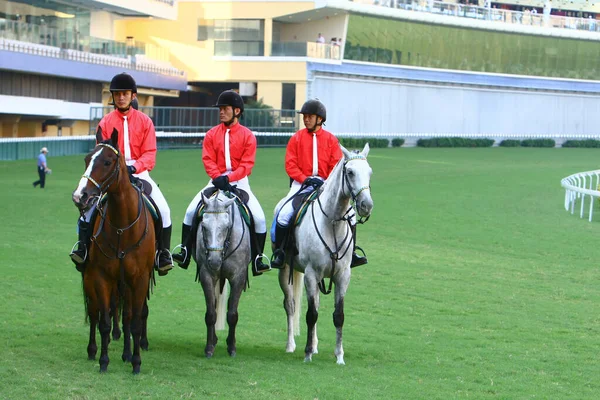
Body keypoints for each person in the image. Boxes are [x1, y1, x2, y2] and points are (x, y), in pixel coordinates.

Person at [70, 72, 174, 275]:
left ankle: (162, 254)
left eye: (125, 93)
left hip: (139, 173)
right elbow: (100, 154)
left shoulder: (145, 122)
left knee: (165, 211)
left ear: (133, 96)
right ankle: (82, 248)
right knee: (88, 211)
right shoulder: (106, 122)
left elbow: (150, 154)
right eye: (117, 94)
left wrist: (134, 168)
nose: (120, 97)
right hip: (111, 175)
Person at [172, 90, 271, 276]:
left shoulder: (248, 136)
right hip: (215, 181)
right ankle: (184, 250)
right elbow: (207, 159)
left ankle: (258, 258)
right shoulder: (211, 134)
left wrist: (229, 178)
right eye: (220, 109)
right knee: (190, 211)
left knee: (259, 218)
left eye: (225, 109)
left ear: (237, 111)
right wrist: (217, 177)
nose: (221, 112)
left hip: (239, 183)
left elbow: (247, 164)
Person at [271, 99, 367, 269]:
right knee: (283, 213)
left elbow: (335, 166)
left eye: (310, 116)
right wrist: (305, 178)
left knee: (351, 215)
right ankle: (280, 252)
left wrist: (325, 181)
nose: (306, 119)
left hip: (325, 185)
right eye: (305, 116)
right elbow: (290, 165)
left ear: (320, 119)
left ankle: (351, 254)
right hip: (300, 185)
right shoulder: (296, 138)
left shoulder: (331, 140)